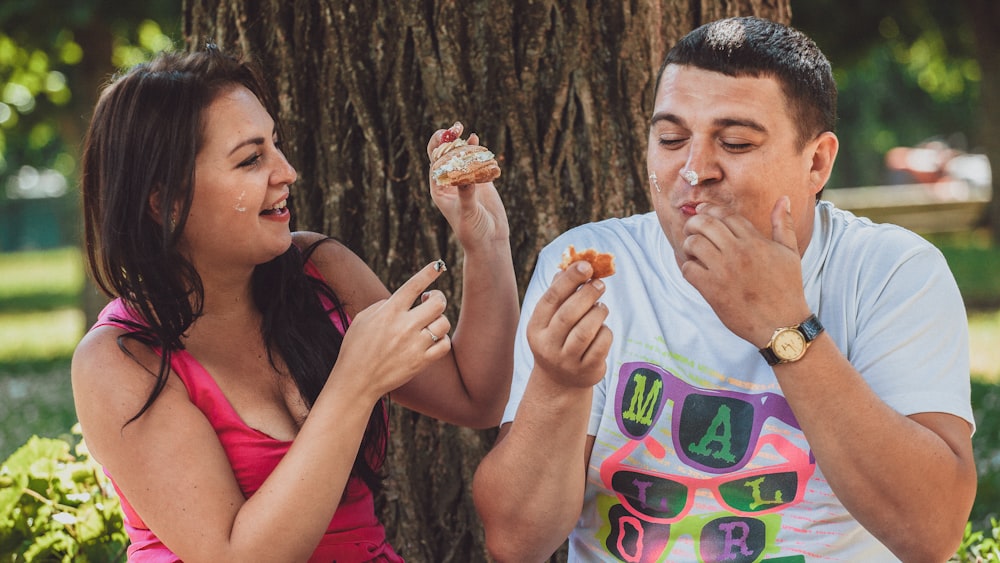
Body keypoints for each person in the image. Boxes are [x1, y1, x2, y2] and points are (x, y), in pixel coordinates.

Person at [472, 16, 976, 563]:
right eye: (671, 138)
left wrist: (785, 328)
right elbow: (515, 542)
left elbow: (931, 532)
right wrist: (558, 385)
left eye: (734, 143)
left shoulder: (891, 272)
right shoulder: (594, 272)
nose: (694, 169)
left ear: (817, 162)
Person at [71, 46, 518, 562]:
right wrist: (355, 382)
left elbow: (476, 398)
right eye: (251, 158)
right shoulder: (121, 360)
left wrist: (486, 244)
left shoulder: (320, 271)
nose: (287, 172)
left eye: (276, 146)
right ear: (165, 200)